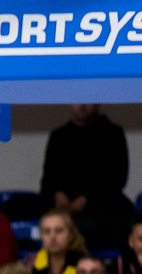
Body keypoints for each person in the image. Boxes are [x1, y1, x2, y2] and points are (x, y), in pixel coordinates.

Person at [40, 103, 133, 249]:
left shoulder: (112, 133)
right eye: (77, 100)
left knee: (123, 218)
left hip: (101, 207)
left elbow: (117, 179)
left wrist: (86, 199)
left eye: (87, 100)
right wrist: (58, 194)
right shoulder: (58, 136)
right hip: (62, 206)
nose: (82, 105)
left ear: (97, 104)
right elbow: (48, 179)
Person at [28, 209, 88, 274]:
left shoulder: (85, 263)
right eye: (47, 232)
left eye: (59, 231)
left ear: (70, 235)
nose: (52, 237)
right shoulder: (31, 262)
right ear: (41, 235)